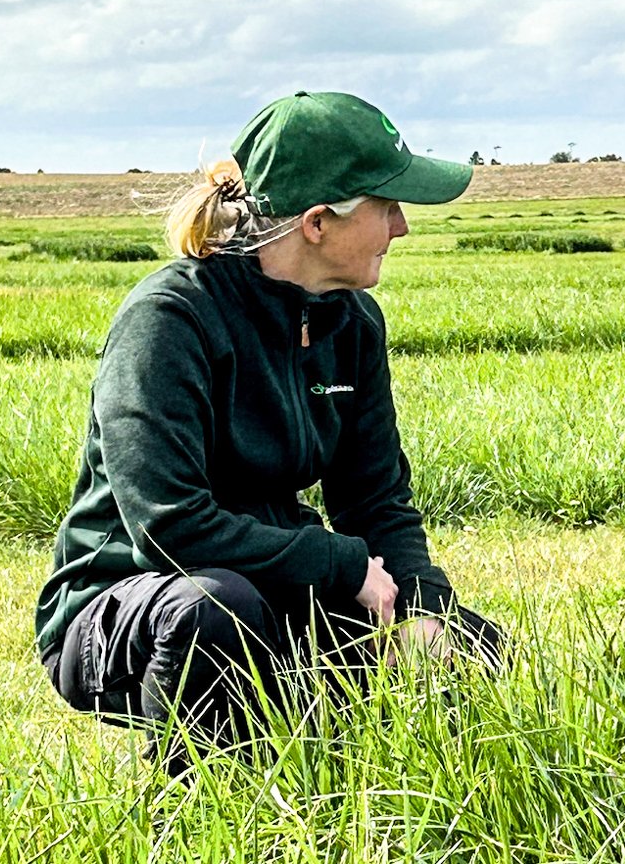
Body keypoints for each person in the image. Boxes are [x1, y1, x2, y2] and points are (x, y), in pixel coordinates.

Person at [34, 91, 502, 765]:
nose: (401, 228)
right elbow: (171, 528)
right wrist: (343, 568)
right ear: (316, 223)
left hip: (273, 582)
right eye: (387, 206)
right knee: (214, 610)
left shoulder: (352, 323)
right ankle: (200, 817)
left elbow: (374, 501)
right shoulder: (168, 322)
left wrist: (424, 610)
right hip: (123, 601)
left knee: (473, 650)